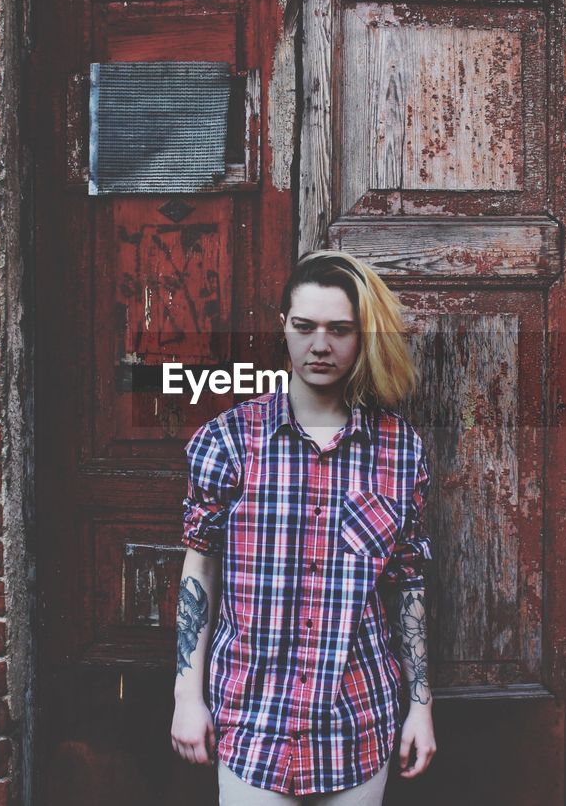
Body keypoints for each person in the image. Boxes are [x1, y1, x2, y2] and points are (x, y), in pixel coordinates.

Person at [170, 250, 436, 805]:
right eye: (305, 326)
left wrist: (422, 706)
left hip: (357, 720)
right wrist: (185, 698)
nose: (321, 345)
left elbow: (409, 585)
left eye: (340, 330)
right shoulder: (228, 442)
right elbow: (199, 571)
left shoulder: (399, 451)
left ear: (362, 337)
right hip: (251, 718)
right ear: (282, 328)